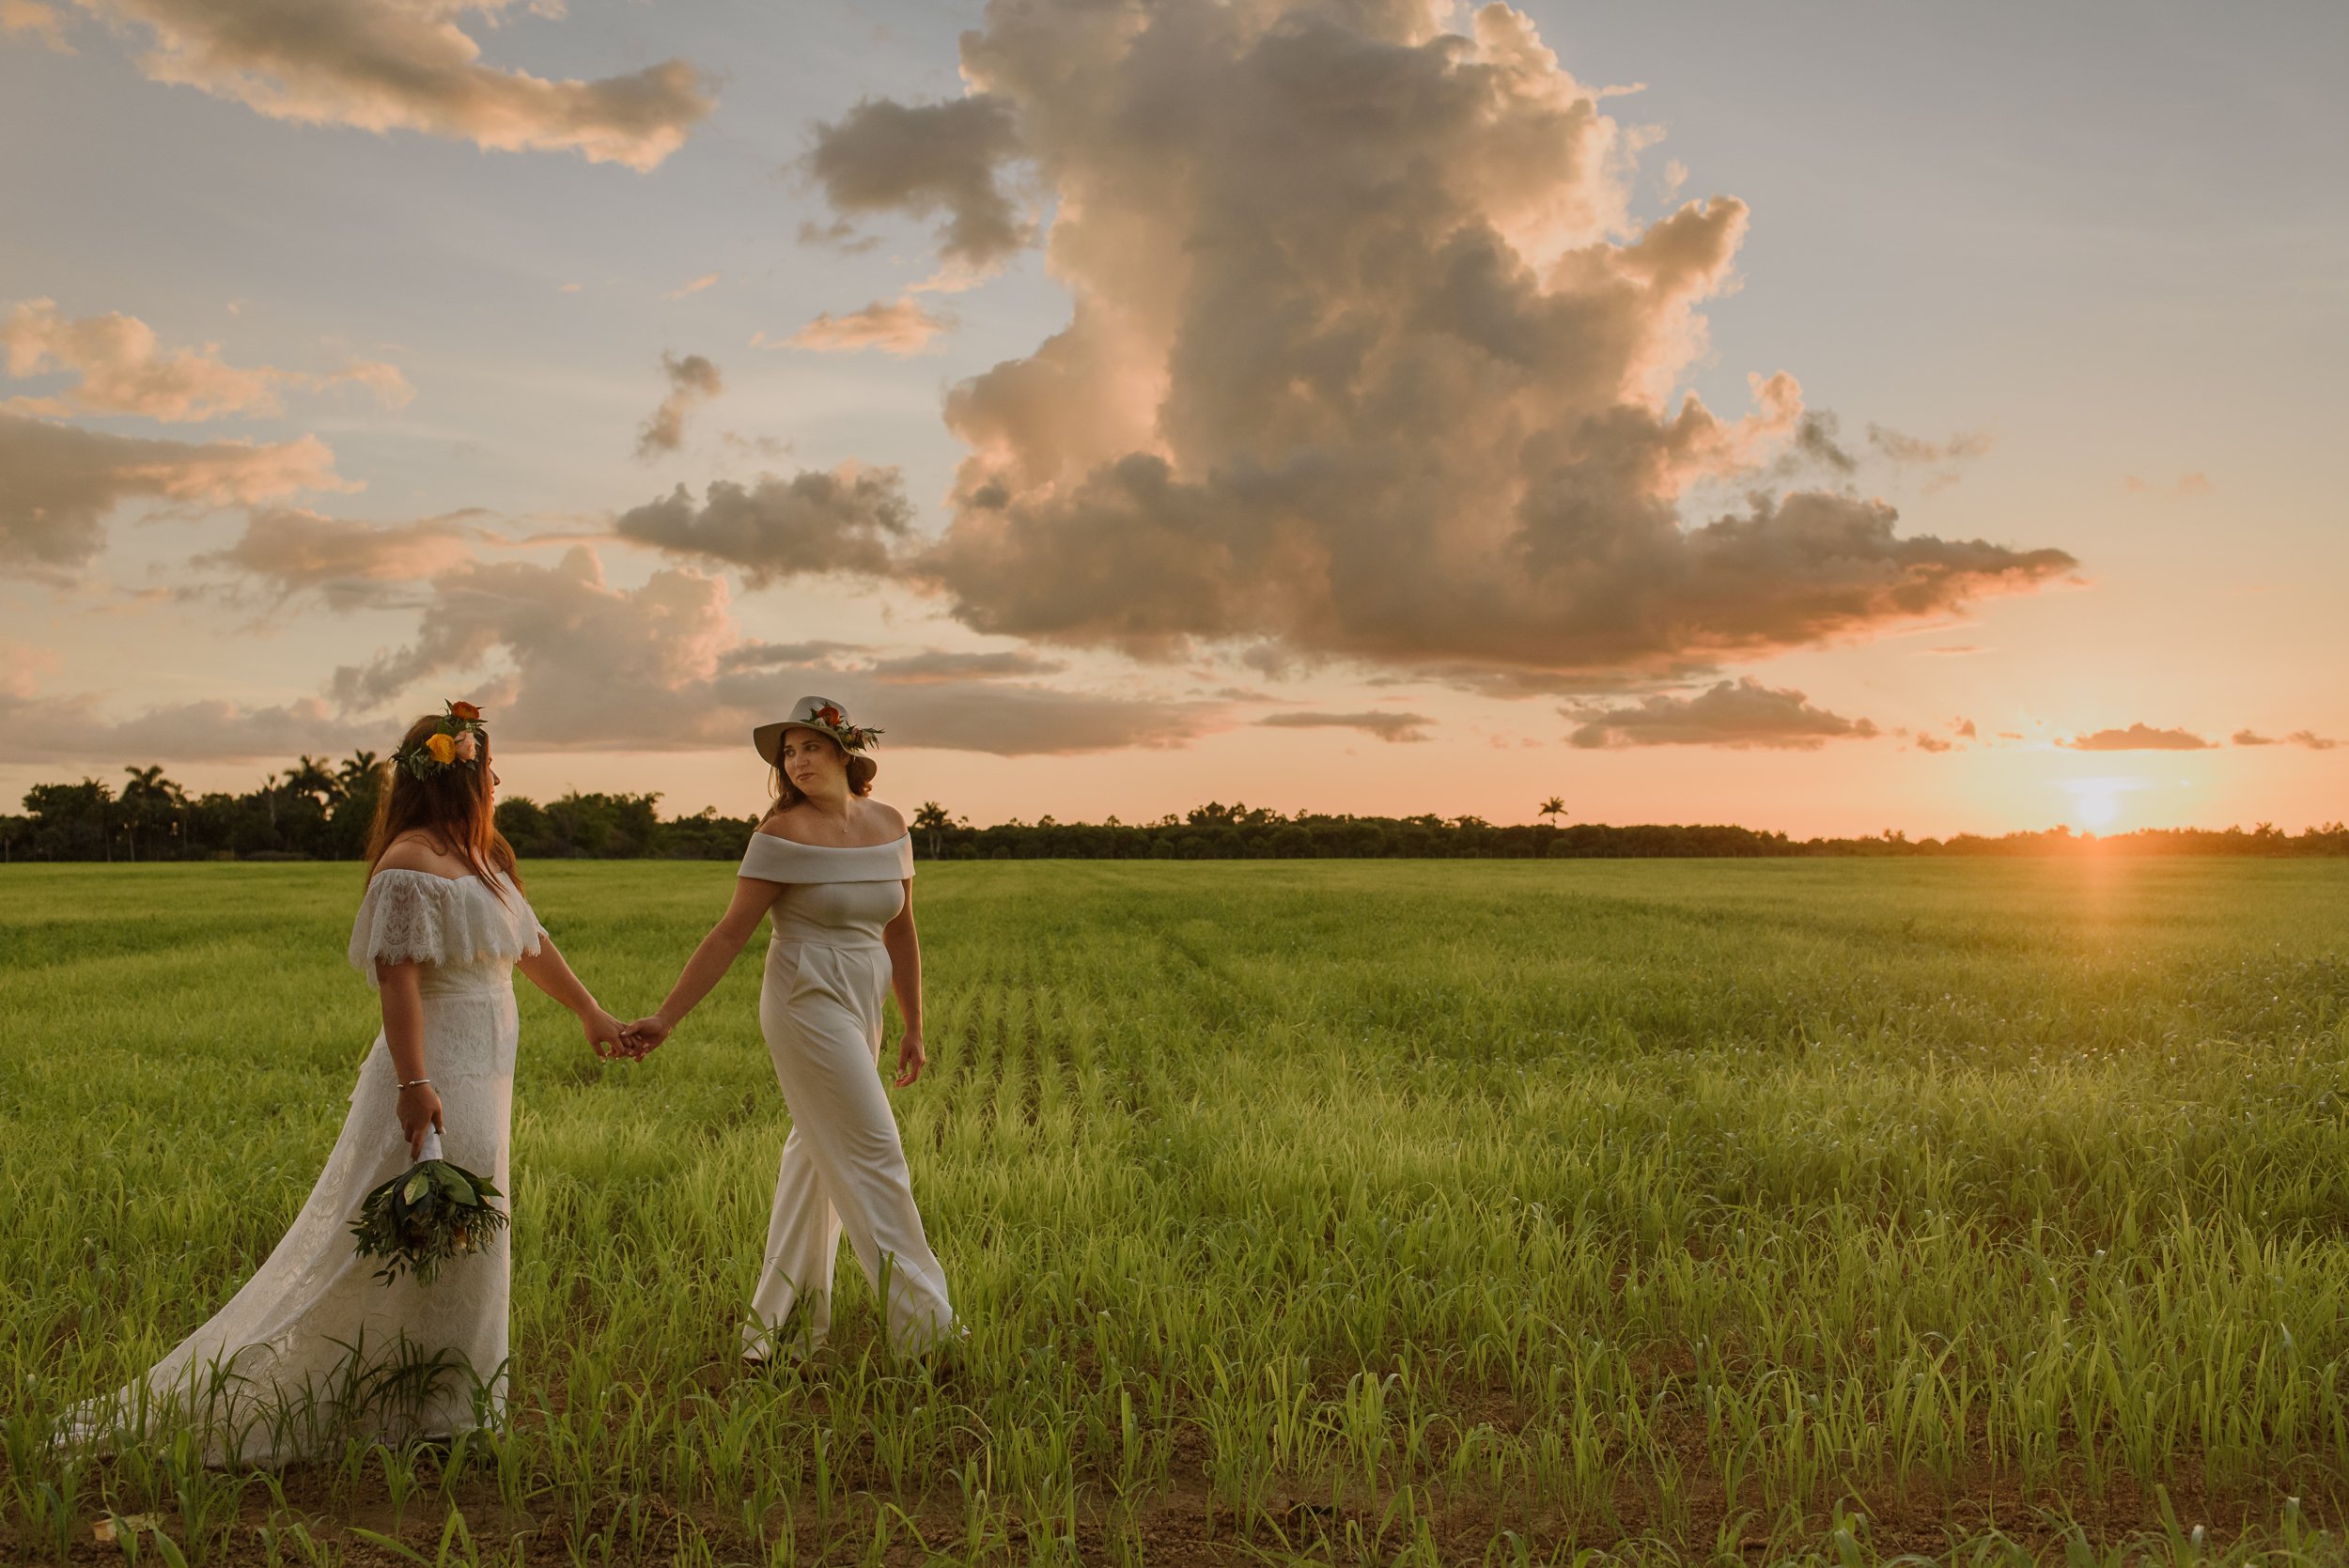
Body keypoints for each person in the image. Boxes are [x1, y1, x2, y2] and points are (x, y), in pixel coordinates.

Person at [68, 701, 630, 1465]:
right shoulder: (407, 863)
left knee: (469, 1231)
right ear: (459, 773)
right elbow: (397, 981)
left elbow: (531, 948)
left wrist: (591, 1011)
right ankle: (388, 1398)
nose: (496, 776)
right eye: (487, 763)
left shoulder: (483, 856)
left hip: (490, 1066)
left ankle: (449, 1398)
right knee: (410, 1231)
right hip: (441, 1066)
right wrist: (415, 1082)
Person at [622, 695, 957, 1363]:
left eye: (808, 746)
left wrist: (915, 1021)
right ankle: (929, 1333)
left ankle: (782, 1328)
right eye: (788, 752)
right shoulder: (780, 836)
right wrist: (665, 1015)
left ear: (843, 750)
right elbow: (729, 934)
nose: (797, 760)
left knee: (814, 1156)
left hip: (863, 990)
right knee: (875, 1147)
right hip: (805, 994)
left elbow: (901, 929)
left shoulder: (891, 824)